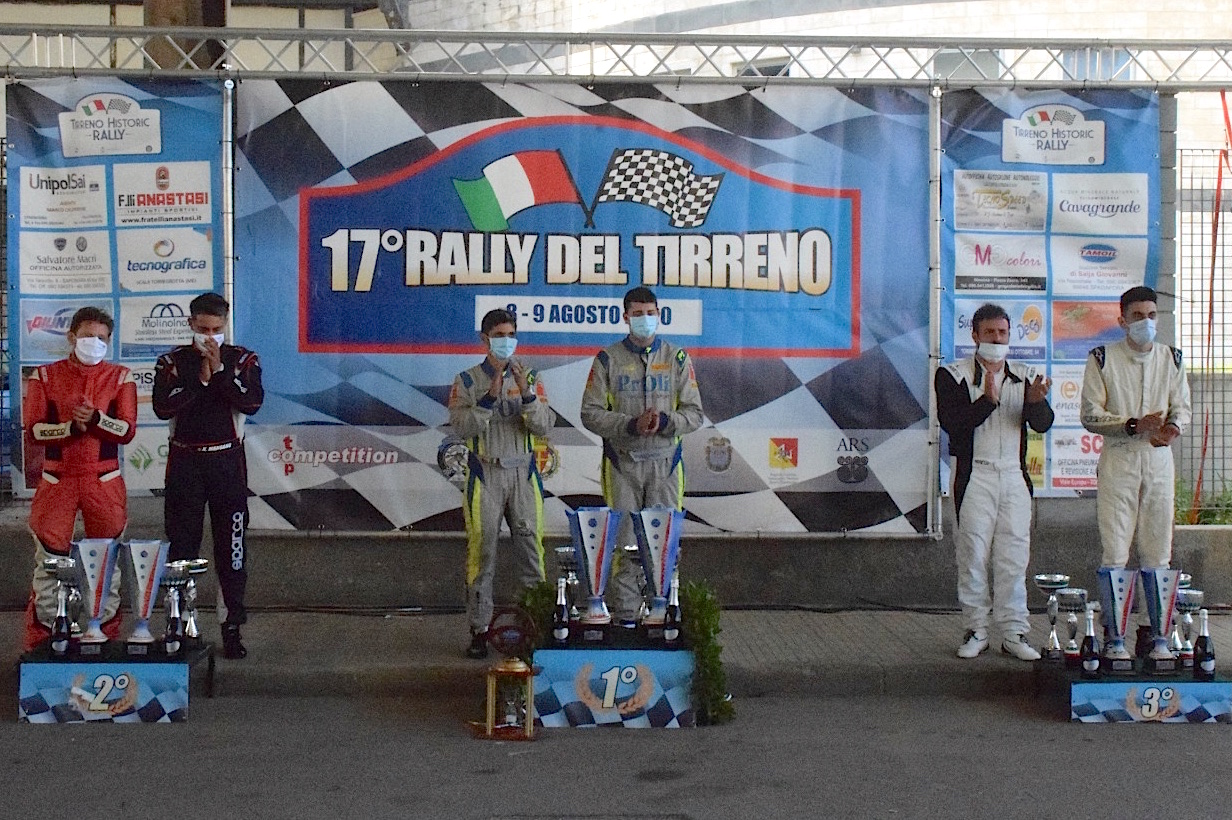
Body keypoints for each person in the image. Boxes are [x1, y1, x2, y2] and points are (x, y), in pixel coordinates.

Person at [936, 303, 1054, 661]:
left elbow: (1043, 424)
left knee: (1014, 556)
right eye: (989, 332)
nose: (997, 339)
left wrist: (1036, 404)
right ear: (974, 335)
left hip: (1014, 475)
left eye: (1002, 332)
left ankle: (1014, 632)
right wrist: (987, 401)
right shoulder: (952, 374)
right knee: (972, 554)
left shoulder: (1025, 375)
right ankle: (976, 629)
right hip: (974, 474)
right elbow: (953, 424)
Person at [580, 286, 704, 624]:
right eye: (637, 314)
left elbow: (695, 414)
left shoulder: (677, 358)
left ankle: (662, 614)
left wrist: (665, 422)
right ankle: (626, 617)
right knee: (624, 543)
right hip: (623, 464)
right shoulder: (607, 359)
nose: (644, 319)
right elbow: (589, 414)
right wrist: (629, 425)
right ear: (625, 317)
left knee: (663, 544)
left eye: (650, 313)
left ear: (659, 315)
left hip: (666, 465)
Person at [1081, 285, 1192, 658]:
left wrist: (1172, 427)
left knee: (1158, 551)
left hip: (1158, 458)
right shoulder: (1102, 359)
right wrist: (1131, 424)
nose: (1146, 322)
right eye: (1138, 316)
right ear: (1122, 320)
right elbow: (1090, 414)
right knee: (1115, 550)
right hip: (1120, 457)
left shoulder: (1172, 358)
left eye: (1152, 315)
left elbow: (1182, 406)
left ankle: (1156, 636)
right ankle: (1114, 638)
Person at [153, 292, 264, 659]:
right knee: (181, 548)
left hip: (227, 463)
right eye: (203, 329)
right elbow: (162, 406)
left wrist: (220, 374)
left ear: (225, 325)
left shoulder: (243, 359)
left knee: (232, 550)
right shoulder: (171, 361)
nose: (210, 337)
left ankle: (231, 627)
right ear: (191, 325)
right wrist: (199, 381)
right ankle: (180, 622)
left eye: (216, 329)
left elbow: (252, 402)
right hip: (185, 463)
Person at [21, 306, 137, 652]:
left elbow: (127, 431)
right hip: (58, 480)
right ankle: (45, 641)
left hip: (104, 480)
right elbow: (34, 430)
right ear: (71, 336)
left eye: (102, 338)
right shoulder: (44, 376)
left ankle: (104, 637)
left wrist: (97, 419)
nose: (94, 342)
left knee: (106, 563)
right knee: (50, 562)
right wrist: (71, 427)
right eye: (88, 336)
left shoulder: (120, 377)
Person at [449, 308, 556, 659]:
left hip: (523, 473)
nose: (506, 342)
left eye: (511, 335)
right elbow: (462, 428)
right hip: (486, 472)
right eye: (498, 336)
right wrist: (488, 398)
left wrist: (526, 394)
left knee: (531, 552)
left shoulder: (531, 376)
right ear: (485, 339)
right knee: (482, 553)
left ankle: (536, 628)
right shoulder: (466, 381)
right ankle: (480, 629)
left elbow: (545, 425)